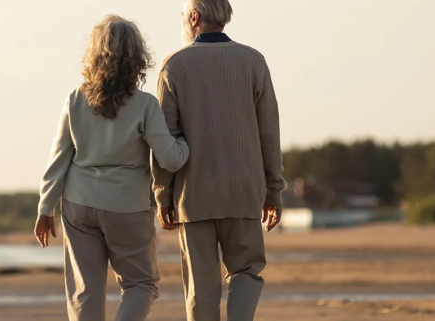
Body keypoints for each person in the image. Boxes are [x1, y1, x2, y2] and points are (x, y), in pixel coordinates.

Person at [34, 15, 189, 321]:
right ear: (137, 58)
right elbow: (170, 159)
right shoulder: (145, 105)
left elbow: (58, 160)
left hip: (79, 206)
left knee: (85, 292)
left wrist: (45, 208)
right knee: (141, 283)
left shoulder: (75, 100)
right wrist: (184, 142)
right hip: (127, 206)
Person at [151, 1, 285, 320]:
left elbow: (164, 140)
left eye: (183, 16)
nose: (182, 21)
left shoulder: (174, 66)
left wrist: (162, 196)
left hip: (192, 194)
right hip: (244, 191)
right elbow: (270, 133)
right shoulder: (253, 61)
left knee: (201, 286)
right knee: (247, 272)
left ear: (194, 17)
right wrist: (274, 191)